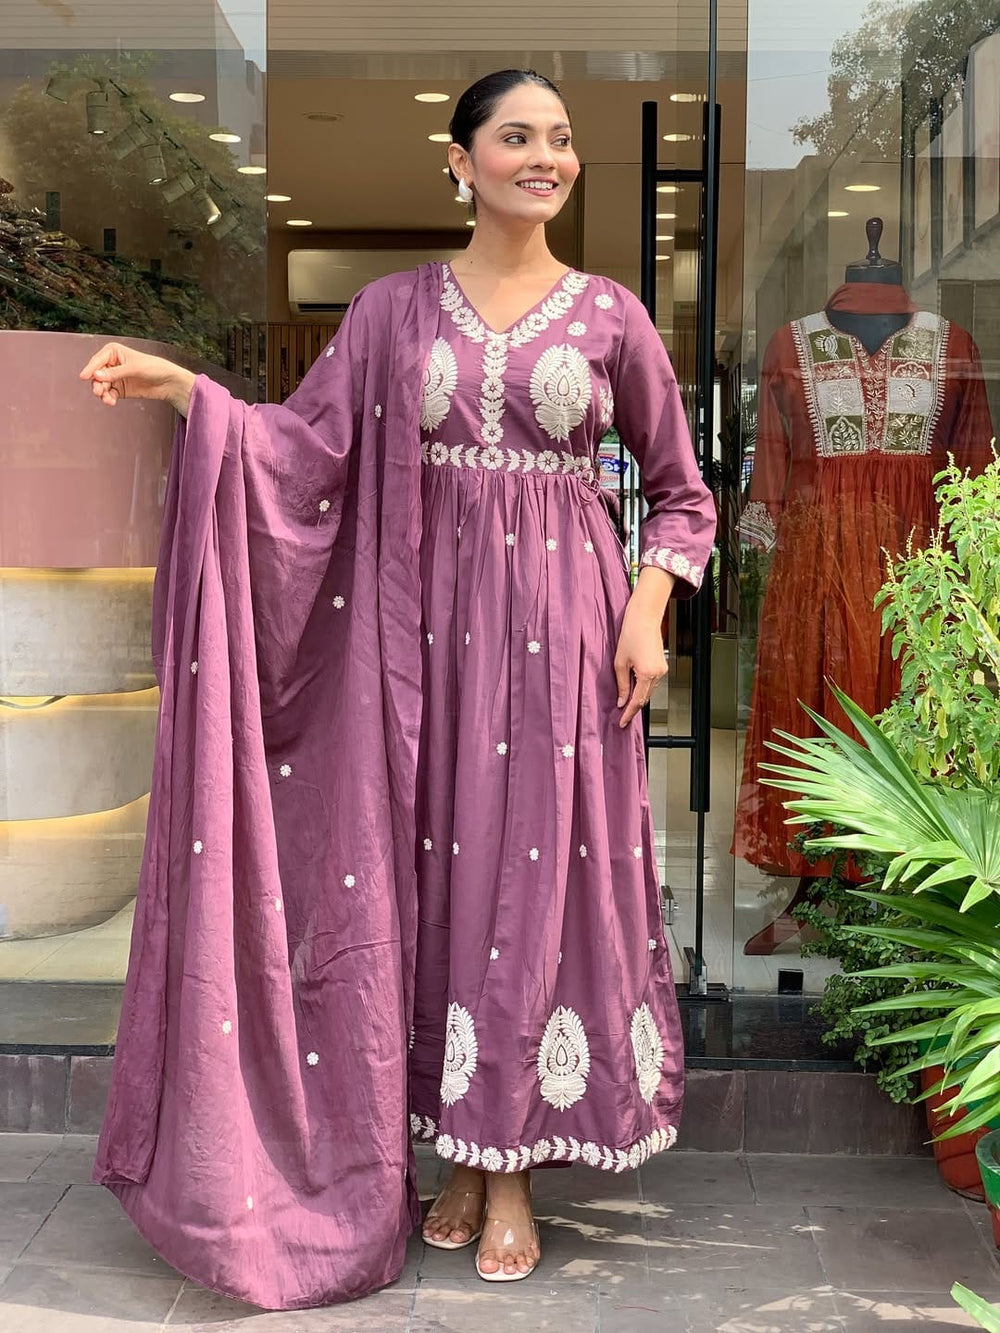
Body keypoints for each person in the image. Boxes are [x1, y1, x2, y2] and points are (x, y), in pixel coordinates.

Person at [79, 69, 716, 1308]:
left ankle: (509, 1167)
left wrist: (647, 609)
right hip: (420, 640)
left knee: (534, 881)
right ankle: (457, 1149)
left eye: (560, 139)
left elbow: (680, 491)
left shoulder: (612, 316)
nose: (546, 158)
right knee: (436, 883)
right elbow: (303, 446)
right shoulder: (390, 312)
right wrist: (188, 395)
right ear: (461, 160)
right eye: (517, 138)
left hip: (564, 636)